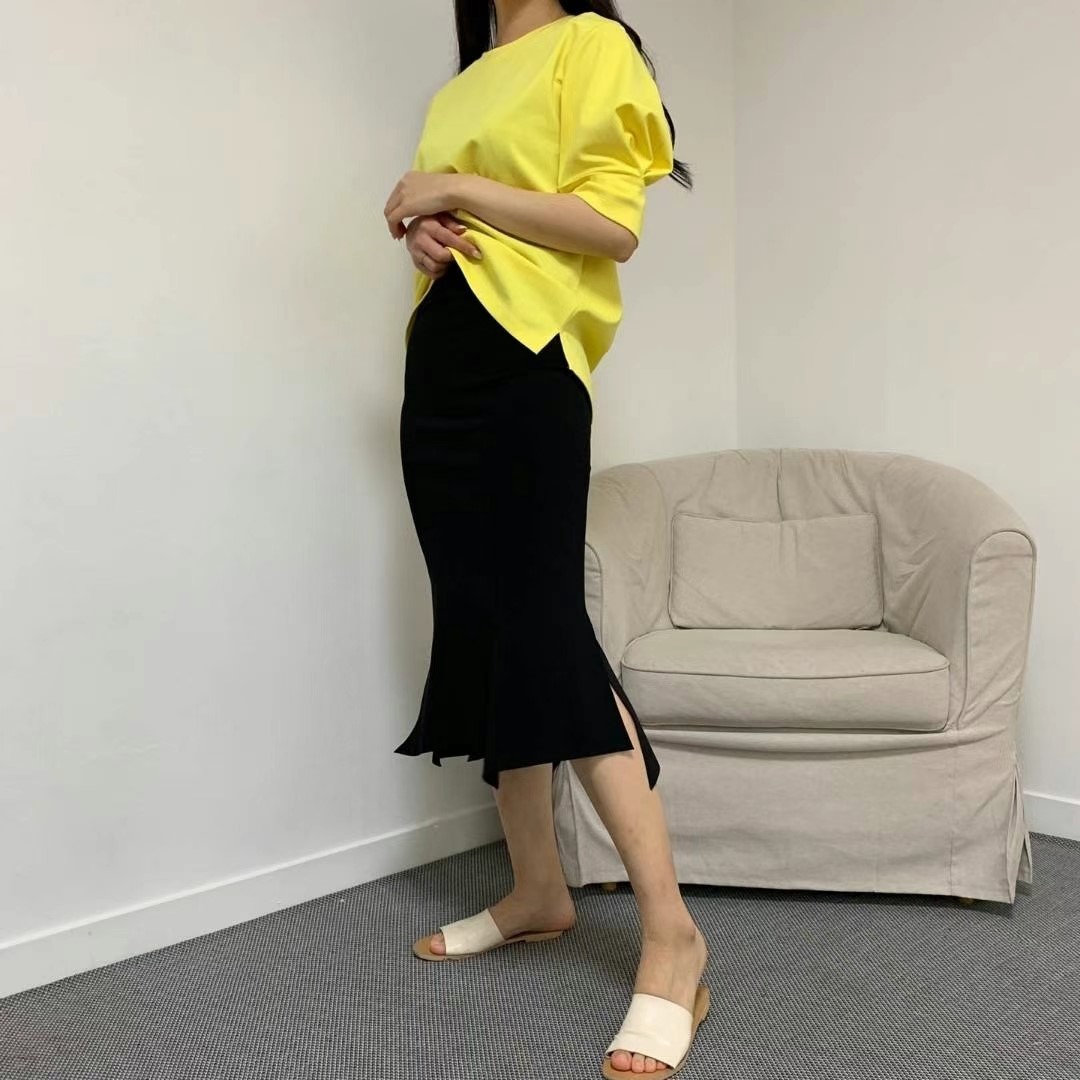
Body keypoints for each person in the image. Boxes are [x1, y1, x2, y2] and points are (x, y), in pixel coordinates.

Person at [384, 3, 709, 1076]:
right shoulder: (461, 84)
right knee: (482, 629)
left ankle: (674, 936)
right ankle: (536, 890)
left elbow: (611, 226)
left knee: (545, 628)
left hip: (525, 370)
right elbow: (462, 235)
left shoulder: (591, 44)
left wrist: (451, 187)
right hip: (439, 370)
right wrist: (427, 234)